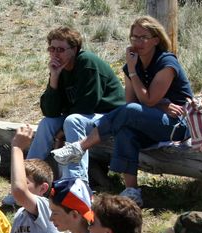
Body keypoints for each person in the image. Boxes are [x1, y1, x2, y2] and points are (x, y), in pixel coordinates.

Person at [52, 16, 193, 206]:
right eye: (134, 37)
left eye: (143, 37)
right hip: (154, 120)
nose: (137, 42)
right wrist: (158, 103)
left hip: (179, 124)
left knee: (131, 112)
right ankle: (132, 190)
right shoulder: (132, 65)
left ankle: (81, 146)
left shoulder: (166, 62)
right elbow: (131, 102)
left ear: (156, 40)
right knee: (125, 130)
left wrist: (135, 73)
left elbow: (147, 100)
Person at [27, 26, 124, 181]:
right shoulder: (59, 69)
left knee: (73, 121)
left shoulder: (87, 63)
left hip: (109, 117)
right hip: (85, 118)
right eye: (52, 49)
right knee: (46, 123)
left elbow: (87, 106)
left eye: (60, 49)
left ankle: (75, 182)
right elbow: (49, 111)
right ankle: (26, 178)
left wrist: (62, 131)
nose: (55, 54)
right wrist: (54, 78)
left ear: (75, 49)